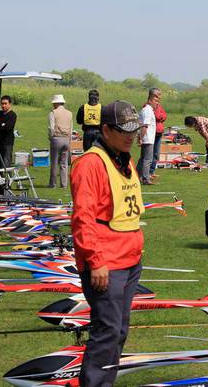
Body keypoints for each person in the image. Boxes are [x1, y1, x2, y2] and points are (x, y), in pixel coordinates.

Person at [70, 100, 144, 387]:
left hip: (130, 260)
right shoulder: (90, 164)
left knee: (119, 331)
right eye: (123, 130)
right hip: (106, 263)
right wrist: (95, 260)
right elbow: (83, 218)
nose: (131, 136)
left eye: (134, 130)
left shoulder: (124, 159)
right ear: (105, 130)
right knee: (107, 331)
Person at [48, 94, 73, 188]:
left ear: (56, 103)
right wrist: (69, 140)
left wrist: (51, 137)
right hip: (66, 139)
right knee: (64, 163)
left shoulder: (53, 113)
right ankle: (64, 184)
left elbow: (51, 128)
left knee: (54, 162)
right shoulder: (70, 113)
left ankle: (53, 183)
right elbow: (71, 129)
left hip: (56, 138)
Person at [0, 95, 17, 169]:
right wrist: (1, 124)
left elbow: (7, 128)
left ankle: (7, 180)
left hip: (7, 144)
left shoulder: (12, 115)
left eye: (5, 103)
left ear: (10, 104)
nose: (3, 105)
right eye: (2, 103)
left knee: (6, 164)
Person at [147, 88, 167, 179]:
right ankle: (145, 173)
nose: (160, 97)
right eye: (158, 95)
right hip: (152, 133)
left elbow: (164, 116)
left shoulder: (159, 105)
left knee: (156, 154)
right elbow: (157, 116)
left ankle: (152, 171)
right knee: (148, 155)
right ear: (153, 95)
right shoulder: (149, 106)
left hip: (159, 133)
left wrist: (160, 117)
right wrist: (160, 117)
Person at [137, 96, 156, 185]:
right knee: (147, 159)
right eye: (155, 101)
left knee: (143, 159)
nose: (157, 103)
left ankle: (138, 176)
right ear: (149, 100)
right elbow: (144, 126)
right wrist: (141, 138)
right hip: (148, 138)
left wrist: (140, 137)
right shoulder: (148, 110)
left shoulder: (146, 110)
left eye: (158, 101)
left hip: (147, 138)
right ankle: (145, 178)